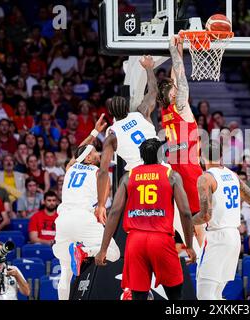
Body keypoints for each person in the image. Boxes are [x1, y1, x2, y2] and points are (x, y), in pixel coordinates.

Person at [96, 138, 196, 300]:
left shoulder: (129, 177)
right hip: (161, 239)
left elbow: (114, 212)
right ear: (160, 155)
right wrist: (189, 246)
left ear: (141, 156)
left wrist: (103, 249)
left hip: (135, 241)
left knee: (139, 296)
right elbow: (185, 212)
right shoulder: (172, 175)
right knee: (175, 295)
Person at [191, 140, 250, 300]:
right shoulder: (232, 175)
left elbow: (206, 216)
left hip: (217, 237)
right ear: (221, 155)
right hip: (234, 238)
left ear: (201, 156)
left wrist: (188, 221)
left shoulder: (205, 178)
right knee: (217, 294)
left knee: (204, 295)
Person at [53, 114, 120, 300]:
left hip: (63, 219)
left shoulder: (70, 167)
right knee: (113, 253)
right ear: (89, 158)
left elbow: (79, 153)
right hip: (83, 217)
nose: (98, 154)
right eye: (94, 152)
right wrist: (101, 206)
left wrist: (94, 132)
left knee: (65, 272)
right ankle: (86, 251)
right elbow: (105, 183)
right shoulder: (98, 171)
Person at [96, 56, 158, 225]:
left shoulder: (112, 136)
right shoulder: (141, 112)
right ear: (127, 106)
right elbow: (153, 91)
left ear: (111, 114)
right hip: (161, 169)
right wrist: (149, 68)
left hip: (138, 177)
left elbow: (103, 171)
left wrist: (101, 204)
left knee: (139, 222)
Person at [158, 36, 204, 245]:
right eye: (174, 89)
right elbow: (180, 77)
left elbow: (176, 77)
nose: (177, 89)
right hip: (189, 173)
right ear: (173, 94)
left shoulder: (165, 111)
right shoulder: (182, 108)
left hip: (175, 174)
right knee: (199, 227)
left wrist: (177, 52)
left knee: (186, 228)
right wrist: (175, 50)